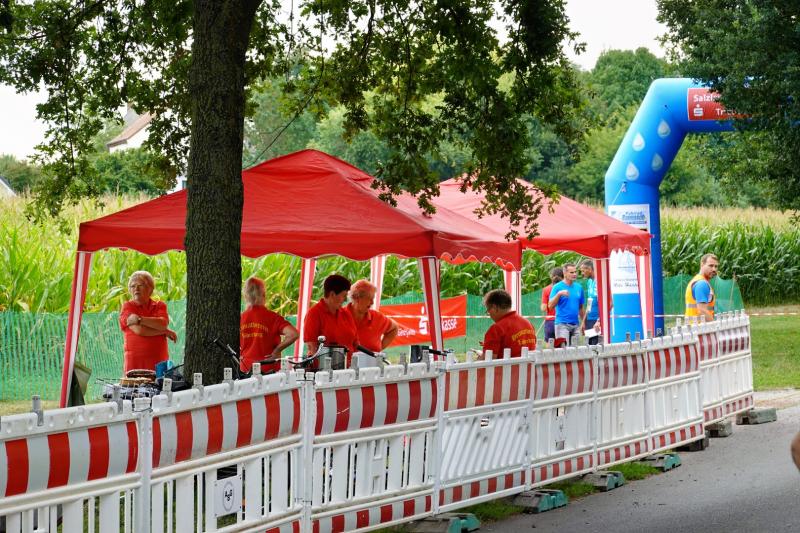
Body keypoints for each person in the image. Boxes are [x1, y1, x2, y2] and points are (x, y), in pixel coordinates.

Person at [119, 270, 177, 373]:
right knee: (135, 383)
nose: (136, 289)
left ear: (150, 289)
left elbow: (163, 323)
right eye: (132, 286)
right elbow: (140, 330)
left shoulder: (159, 306)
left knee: (160, 382)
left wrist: (140, 319)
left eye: (140, 285)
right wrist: (164, 332)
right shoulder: (128, 306)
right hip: (135, 363)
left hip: (159, 361)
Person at [240, 276, 299, 373]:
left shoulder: (240, 318)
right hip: (268, 369)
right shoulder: (272, 317)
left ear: (245, 296)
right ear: (263, 295)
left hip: (246, 369)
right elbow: (293, 334)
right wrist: (277, 351)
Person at [304, 274, 359, 358]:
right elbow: (312, 347)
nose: (345, 300)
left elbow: (356, 344)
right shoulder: (314, 314)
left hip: (350, 365)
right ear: (332, 294)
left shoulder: (346, 314)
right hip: (325, 365)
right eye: (344, 295)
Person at [345, 279, 398, 353]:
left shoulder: (377, 318)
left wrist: (379, 348)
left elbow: (394, 328)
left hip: (371, 361)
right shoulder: (339, 316)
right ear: (357, 298)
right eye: (370, 299)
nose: (372, 302)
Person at [482, 289, 536, 358]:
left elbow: (487, 359)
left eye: (488, 310)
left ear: (495, 308)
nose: (489, 314)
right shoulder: (528, 323)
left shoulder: (496, 329)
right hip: (529, 365)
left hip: (508, 365)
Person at [548, 263, 585, 347]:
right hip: (562, 324)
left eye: (575, 272)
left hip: (576, 325)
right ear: (564, 273)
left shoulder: (579, 287)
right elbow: (550, 306)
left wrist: (583, 322)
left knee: (577, 351)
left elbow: (581, 307)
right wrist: (559, 294)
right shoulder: (557, 287)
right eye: (571, 272)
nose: (574, 274)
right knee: (563, 351)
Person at [685, 253, 718, 323]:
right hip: (699, 327)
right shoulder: (701, 283)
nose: (714, 269)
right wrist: (715, 326)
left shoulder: (699, 280)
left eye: (716, 266)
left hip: (695, 326)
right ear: (702, 265)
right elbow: (702, 310)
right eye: (711, 266)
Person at [579, 259, 602, 345]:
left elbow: (609, 304)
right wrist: (584, 321)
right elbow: (589, 302)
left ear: (589, 269)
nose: (582, 273)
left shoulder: (600, 281)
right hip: (589, 320)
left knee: (596, 348)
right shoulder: (589, 282)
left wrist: (599, 321)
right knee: (589, 346)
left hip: (597, 321)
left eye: (583, 271)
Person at [541, 267, 563, 344]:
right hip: (563, 321)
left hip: (550, 322)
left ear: (551, 277)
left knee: (550, 346)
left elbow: (543, 308)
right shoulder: (566, 288)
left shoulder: (546, 289)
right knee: (564, 346)